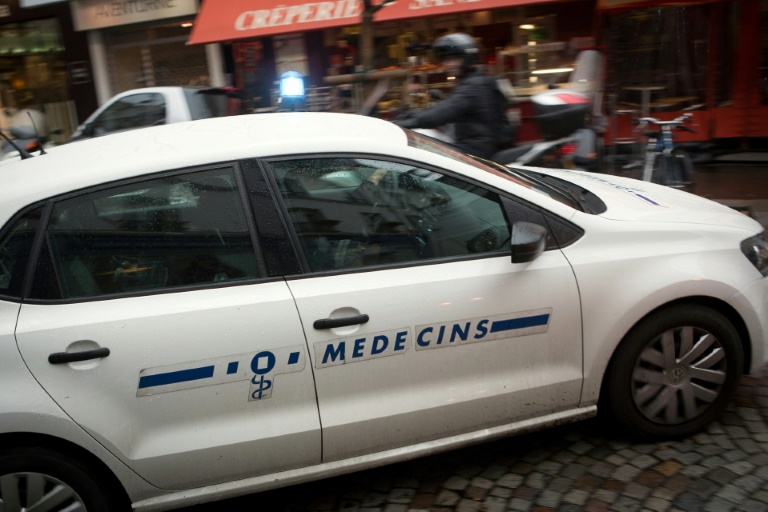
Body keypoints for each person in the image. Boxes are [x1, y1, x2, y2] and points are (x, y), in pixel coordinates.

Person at [393, 33, 514, 159]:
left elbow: (445, 111)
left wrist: (408, 122)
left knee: (431, 154)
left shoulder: (474, 86)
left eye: (454, 59)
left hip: (478, 150)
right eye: (446, 59)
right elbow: (451, 105)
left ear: (468, 58)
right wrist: (411, 114)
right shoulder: (476, 80)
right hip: (480, 146)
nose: (448, 64)